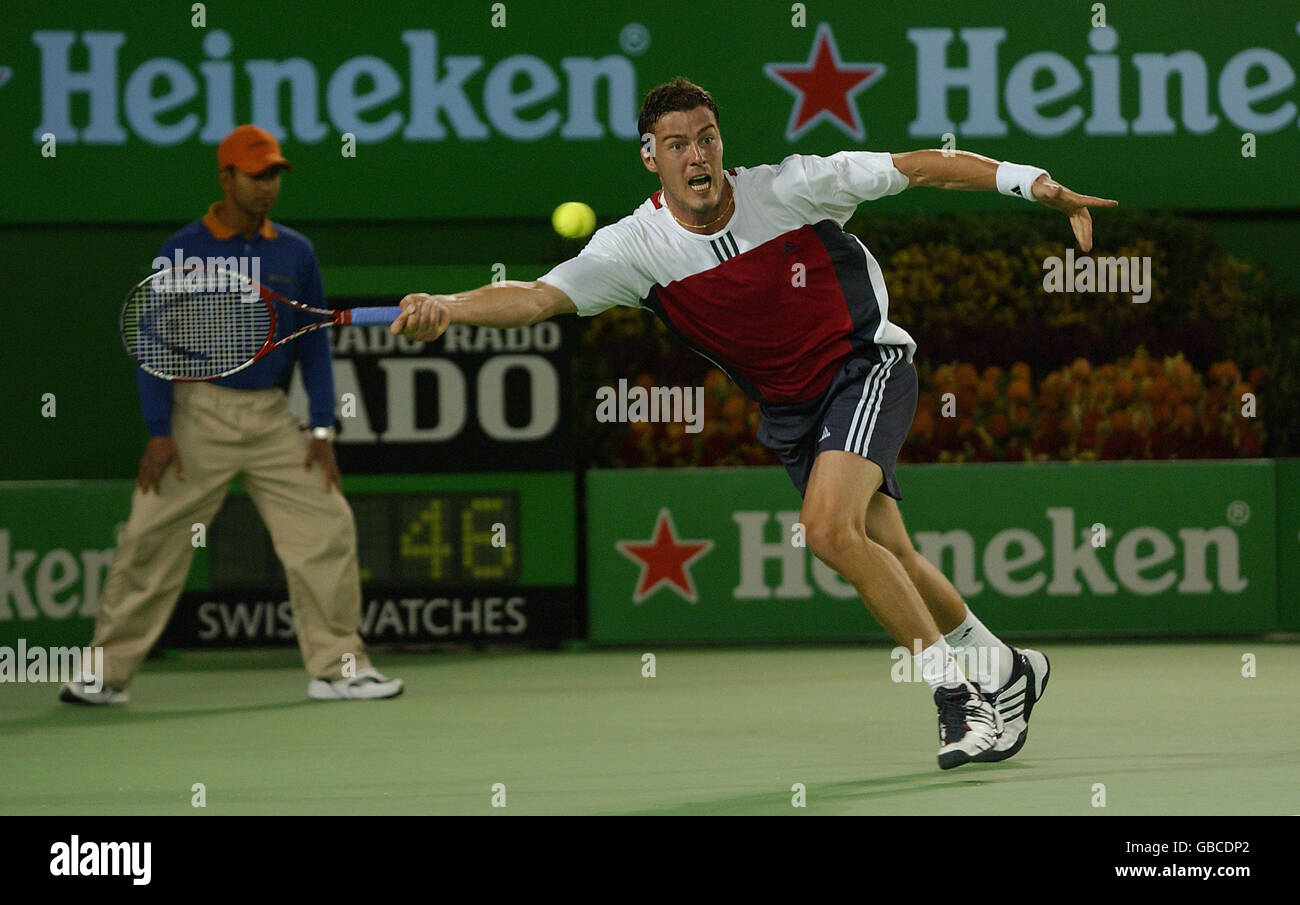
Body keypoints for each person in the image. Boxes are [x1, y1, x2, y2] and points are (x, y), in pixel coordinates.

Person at [392, 78, 1116, 768]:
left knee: (830, 529)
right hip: (793, 408)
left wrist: (1030, 181)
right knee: (885, 544)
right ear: (651, 157)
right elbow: (537, 297)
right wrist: (448, 308)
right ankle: (1007, 667)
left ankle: (960, 697)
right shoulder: (632, 249)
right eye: (676, 145)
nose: (697, 156)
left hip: (865, 364)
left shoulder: (791, 187)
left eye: (706, 138)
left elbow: (917, 167)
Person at [61, 125, 402, 705]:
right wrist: (159, 430)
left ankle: (339, 669)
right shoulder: (181, 249)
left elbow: (314, 342)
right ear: (226, 178)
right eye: (256, 175)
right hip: (198, 414)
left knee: (327, 526)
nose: (268, 186)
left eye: (274, 175)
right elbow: (153, 346)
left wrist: (321, 426)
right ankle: (104, 673)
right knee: (149, 538)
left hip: (271, 417)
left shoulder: (296, 251)